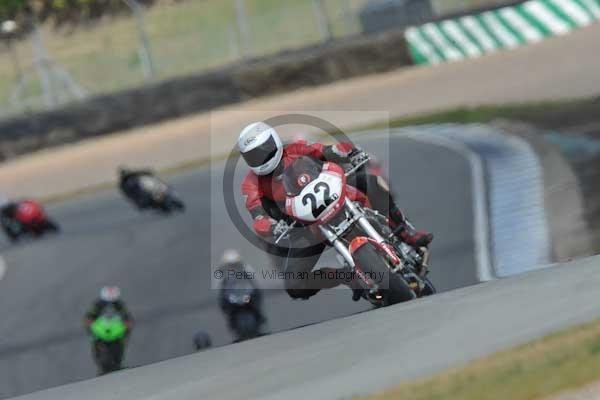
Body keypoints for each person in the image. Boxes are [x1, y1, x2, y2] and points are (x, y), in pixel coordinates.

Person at [237, 122, 433, 301]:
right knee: (294, 284)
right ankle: (346, 277)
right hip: (304, 226)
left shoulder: (297, 149)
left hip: (336, 196)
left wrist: (351, 153)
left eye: (265, 150)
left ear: (275, 141)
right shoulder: (250, 184)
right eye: (255, 155)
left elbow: (328, 150)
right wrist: (271, 226)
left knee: (369, 181)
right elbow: (257, 215)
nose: (263, 157)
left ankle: (407, 234)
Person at [217, 249, 265, 330]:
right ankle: (230, 320)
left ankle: (259, 314)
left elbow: (254, 280)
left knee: (257, 294)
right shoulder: (222, 273)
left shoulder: (246, 268)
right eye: (230, 265)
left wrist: (252, 289)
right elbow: (220, 286)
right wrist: (225, 294)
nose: (233, 267)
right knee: (222, 300)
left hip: (245, 293)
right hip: (233, 296)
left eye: (234, 264)